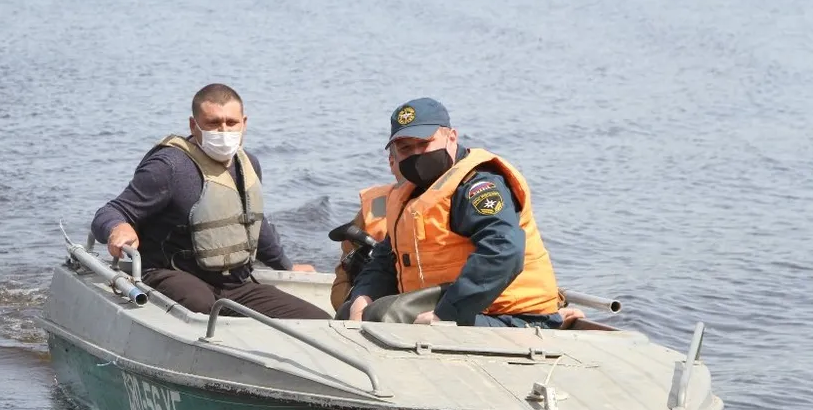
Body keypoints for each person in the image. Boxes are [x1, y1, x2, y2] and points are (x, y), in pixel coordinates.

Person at [91, 83, 329, 319]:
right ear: (194, 125)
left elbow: (254, 224)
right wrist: (117, 227)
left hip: (234, 285)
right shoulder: (169, 167)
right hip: (171, 274)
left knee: (316, 320)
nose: (224, 131)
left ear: (244, 123)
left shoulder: (249, 165)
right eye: (213, 123)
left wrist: (286, 266)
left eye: (231, 123)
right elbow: (112, 210)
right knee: (199, 303)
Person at [345, 97, 584, 329]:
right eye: (406, 148)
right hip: (460, 307)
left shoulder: (477, 185)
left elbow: (504, 251)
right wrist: (362, 296)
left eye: (424, 143)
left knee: (386, 315)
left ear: (452, 137)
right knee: (354, 309)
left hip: (512, 315)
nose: (417, 154)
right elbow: (387, 257)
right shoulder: (410, 193)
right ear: (394, 155)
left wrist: (445, 314)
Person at [329, 151, 404, 310]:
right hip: (374, 303)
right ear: (392, 163)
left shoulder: (449, 202)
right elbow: (341, 281)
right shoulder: (374, 208)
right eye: (406, 151)